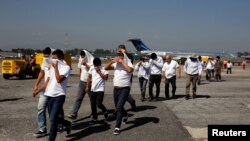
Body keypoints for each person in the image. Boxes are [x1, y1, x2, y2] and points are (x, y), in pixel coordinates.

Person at [33, 49, 71, 141]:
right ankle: (67, 124)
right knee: (52, 117)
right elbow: (47, 82)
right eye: (52, 58)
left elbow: (58, 79)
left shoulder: (66, 68)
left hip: (59, 95)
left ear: (61, 58)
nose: (53, 60)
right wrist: (38, 90)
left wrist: (56, 67)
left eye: (55, 58)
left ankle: (51, 138)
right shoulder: (50, 68)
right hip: (49, 95)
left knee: (53, 118)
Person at [105, 52, 133, 135]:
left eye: (120, 57)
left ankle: (117, 127)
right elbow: (105, 67)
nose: (118, 58)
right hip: (116, 89)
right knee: (117, 107)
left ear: (124, 58)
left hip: (124, 89)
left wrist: (122, 62)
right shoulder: (116, 64)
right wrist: (111, 61)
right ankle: (125, 115)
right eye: (117, 56)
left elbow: (130, 70)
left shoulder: (128, 64)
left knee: (119, 107)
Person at [68, 50, 94, 120]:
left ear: (86, 55)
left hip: (90, 82)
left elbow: (92, 69)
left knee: (92, 99)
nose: (82, 57)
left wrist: (85, 64)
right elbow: (80, 69)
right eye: (81, 56)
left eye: (83, 55)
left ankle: (94, 113)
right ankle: (74, 114)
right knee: (79, 98)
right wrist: (80, 77)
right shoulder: (81, 59)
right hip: (82, 82)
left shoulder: (92, 60)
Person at [33, 47, 51, 138]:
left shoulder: (54, 62)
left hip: (53, 90)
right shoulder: (45, 60)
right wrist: (36, 84)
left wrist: (39, 89)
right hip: (45, 90)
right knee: (40, 108)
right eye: (44, 56)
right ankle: (42, 129)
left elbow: (50, 79)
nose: (45, 58)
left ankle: (61, 124)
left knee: (54, 111)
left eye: (47, 56)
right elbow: (41, 72)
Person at [86, 58, 109, 123]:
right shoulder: (92, 68)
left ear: (99, 63)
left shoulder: (104, 68)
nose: (95, 66)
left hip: (100, 89)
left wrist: (99, 71)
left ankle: (105, 111)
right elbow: (89, 77)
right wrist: (87, 86)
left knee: (98, 104)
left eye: (97, 65)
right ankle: (94, 117)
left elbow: (106, 78)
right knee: (92, 104)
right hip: (93, 88)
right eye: (94, 65)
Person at [117, 45, 136, 110]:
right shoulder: (119, 55)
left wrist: (125, 53)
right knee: (120, 93)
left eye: (120, 51)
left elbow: (129, 62)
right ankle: (119, 108)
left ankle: (131, 102)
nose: (119, 52)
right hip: (120, 76)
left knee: (125, 92)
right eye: (118, 51)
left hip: (128, 77)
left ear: (124, 49)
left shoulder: (129, 56)